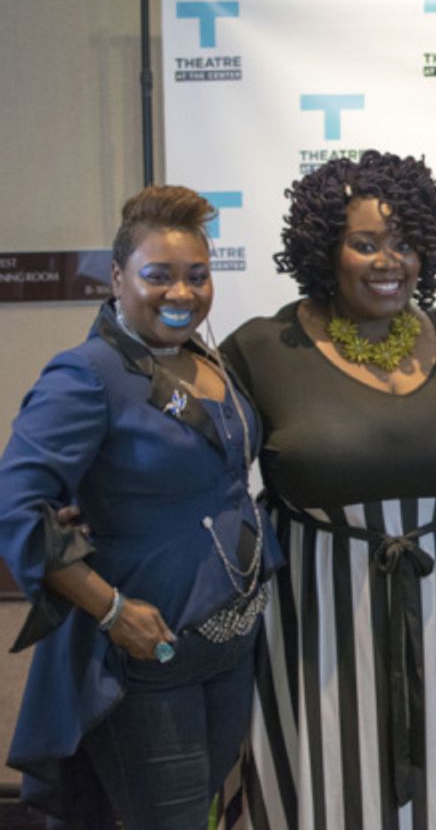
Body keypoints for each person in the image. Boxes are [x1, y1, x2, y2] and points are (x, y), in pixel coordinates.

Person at [219, 150, 436, 829]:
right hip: (311, 632)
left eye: (404, 243)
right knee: (326, 792)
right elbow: (198, 475)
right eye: (364, 244)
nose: (387, 261)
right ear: (323, 250)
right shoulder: (262, 349)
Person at [0, 185, 279, 828]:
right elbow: (16, 506)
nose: (181, 294)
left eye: (197, 276)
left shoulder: (206, 361)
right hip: (147, 659)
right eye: (159, 276)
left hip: (230, 646)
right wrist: (113, 609)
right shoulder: (86, 374)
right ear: (118, 277)